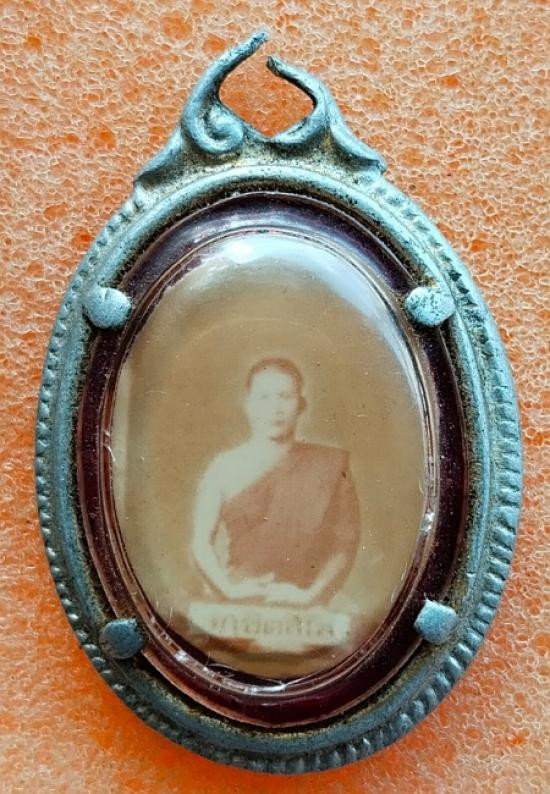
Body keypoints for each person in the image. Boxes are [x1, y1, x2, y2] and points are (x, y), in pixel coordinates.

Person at [191, 357, 360, 606]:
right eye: (264, 397)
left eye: (285, 397)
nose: (275, 408)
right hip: (239, 598)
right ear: (248, 405)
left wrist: (311, 596)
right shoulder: (224, 467)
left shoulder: (330, 465)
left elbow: (345, 545)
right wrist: (229, 591)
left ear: (301, 405)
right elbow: (200, 542)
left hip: (308, 603)